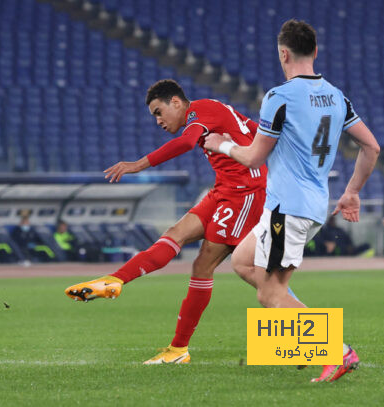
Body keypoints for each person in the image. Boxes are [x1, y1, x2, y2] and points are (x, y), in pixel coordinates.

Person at [204, 19, 380, 382]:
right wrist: (352, 192)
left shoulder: (278, 97)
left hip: (288, 208)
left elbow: (253, 158)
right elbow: (372, 147)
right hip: (309, 205)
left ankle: (336, 351)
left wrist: (220, 144)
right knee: (241, 260)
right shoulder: (336, 95)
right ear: (315, 52)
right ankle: (304, 339)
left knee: (269, 296)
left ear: (283, 53)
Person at [65, 79, 281, 365]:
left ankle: (180, 349)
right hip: (224, 190)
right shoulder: (216, 110)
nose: (157, 121)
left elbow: (188, 141)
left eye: (158, 112)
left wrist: (137, 164)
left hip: (245, 194)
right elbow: (257, 131)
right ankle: (115, 280)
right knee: (175, 233)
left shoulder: (200, 113)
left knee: (208, 265)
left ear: (176, 103)